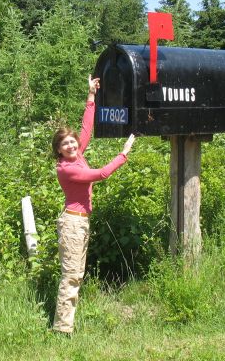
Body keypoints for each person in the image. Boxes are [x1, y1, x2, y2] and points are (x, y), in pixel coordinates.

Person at [51, 75, 135, 335]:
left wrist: (91, 96)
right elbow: (100, 174)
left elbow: (86, 129)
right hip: (73, 224)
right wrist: (123, 154)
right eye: (65, 143)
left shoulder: (78, 155)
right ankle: (62, 328)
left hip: (80, 222)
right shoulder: (67, 169)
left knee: (76, 273)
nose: (72, 144)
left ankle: (65, 325)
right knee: (72, 275)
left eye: (72, 141)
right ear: (59, 150)